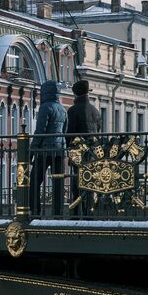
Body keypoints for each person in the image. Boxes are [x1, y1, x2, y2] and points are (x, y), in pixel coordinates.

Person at [30, 80, 68, 215]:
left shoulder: (45, 107)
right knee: (58, 182)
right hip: (60, 150)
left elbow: (40, 131)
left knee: (34, 181)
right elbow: (65, 131)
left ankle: (35, 211)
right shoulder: (63, 109)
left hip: (45, 150)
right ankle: (58, 212)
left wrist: (32, 150)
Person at [65, 80, 103, 216]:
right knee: (90, 182)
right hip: (92, 152)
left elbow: (70, 133)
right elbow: (98, 131)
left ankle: (75, 213)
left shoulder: (73, 110)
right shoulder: (95, 110)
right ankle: (89, 213)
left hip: (78, 152)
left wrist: (68, 149)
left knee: (76, 182)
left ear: (75, 94)